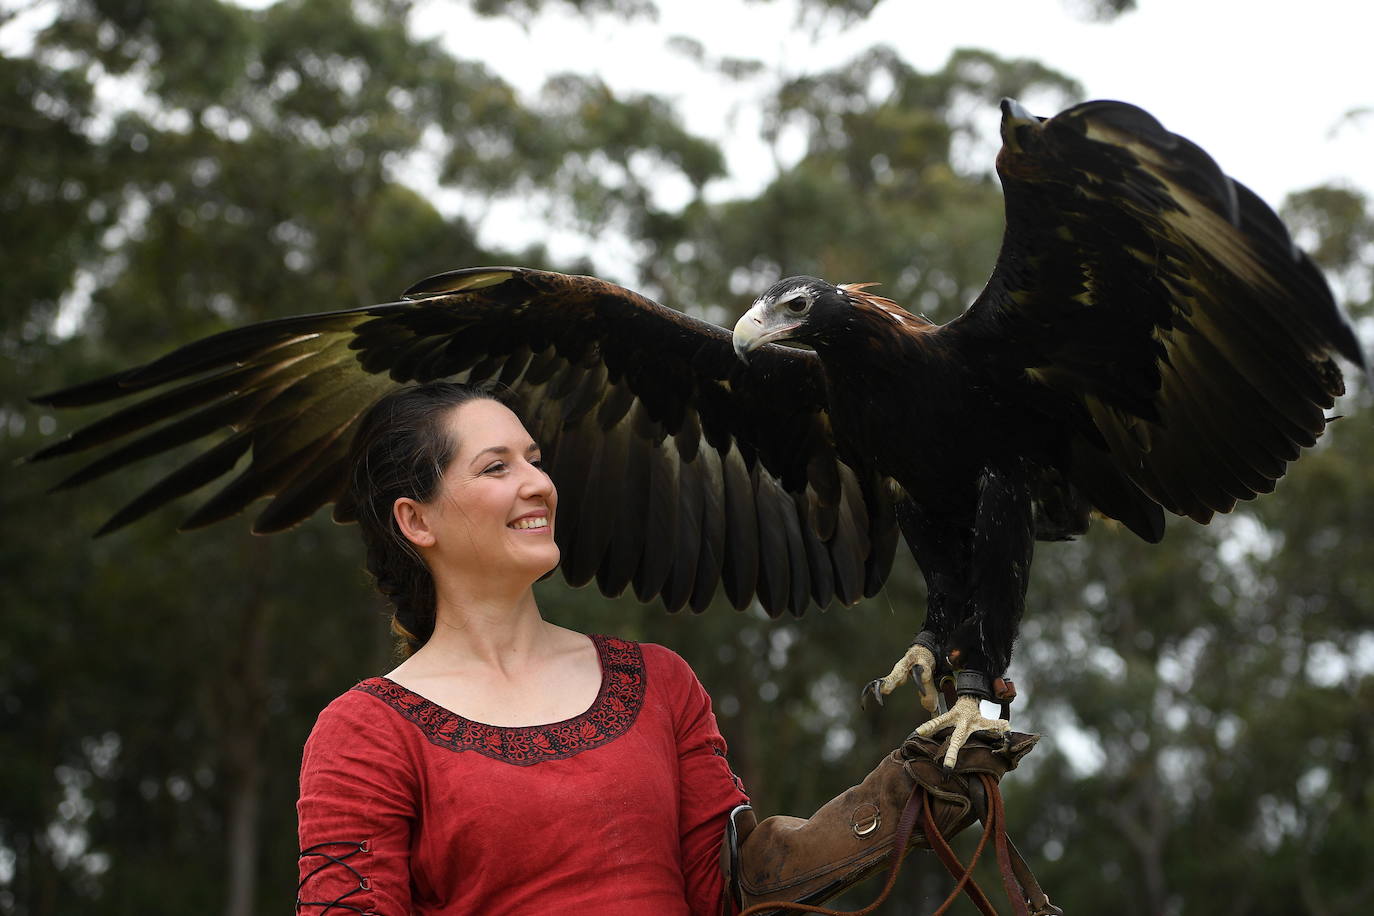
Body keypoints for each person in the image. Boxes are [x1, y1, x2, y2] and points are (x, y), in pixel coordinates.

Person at [295, 381, 1043, 916]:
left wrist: (899, 801)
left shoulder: (655, 683)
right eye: (496, 468)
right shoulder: (368, 732)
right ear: (415, 521)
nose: (539, 484)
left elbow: (733, 885)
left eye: (534, 458)